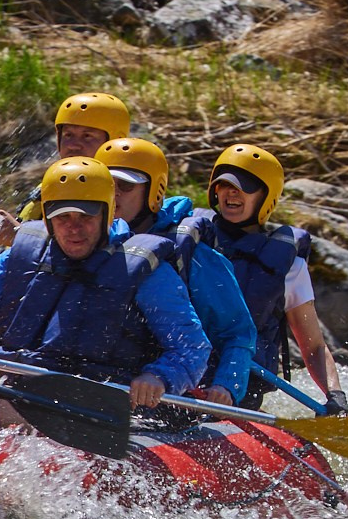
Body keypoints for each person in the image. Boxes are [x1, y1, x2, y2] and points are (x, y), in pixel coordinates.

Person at [0, 157, 210, 408]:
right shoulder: (22, 255)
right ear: (48, 218)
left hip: (97, 399)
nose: (74, 229)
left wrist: (158, 377)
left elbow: (192, 347)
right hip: (16, 384)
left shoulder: (145, 271)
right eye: (63, 218)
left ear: (107, 213)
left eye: (86, 217)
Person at [179, 144, 348, 415]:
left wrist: (335, 394)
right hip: (179, 379)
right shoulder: (187, 238)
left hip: (240, 395)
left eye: (244, 187)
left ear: (265, 197)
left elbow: (313, 346)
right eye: (224, 185)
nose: (231, 192)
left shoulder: (288, 264)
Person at [95, 136, 256, 406]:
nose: (113, 195)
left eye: (125, 186)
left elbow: (238, 332)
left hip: (169, 387)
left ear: (153, 193)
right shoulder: (79, 237)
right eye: (106, 186)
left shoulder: (193, 255)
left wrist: (227, 385)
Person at [0, 91, 133, 249]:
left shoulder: (124, 195)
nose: (73, 145)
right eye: (68, 135)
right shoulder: (52, 185)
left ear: (115, 141)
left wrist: (20, 236)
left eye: (87, 136)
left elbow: (86, 255)